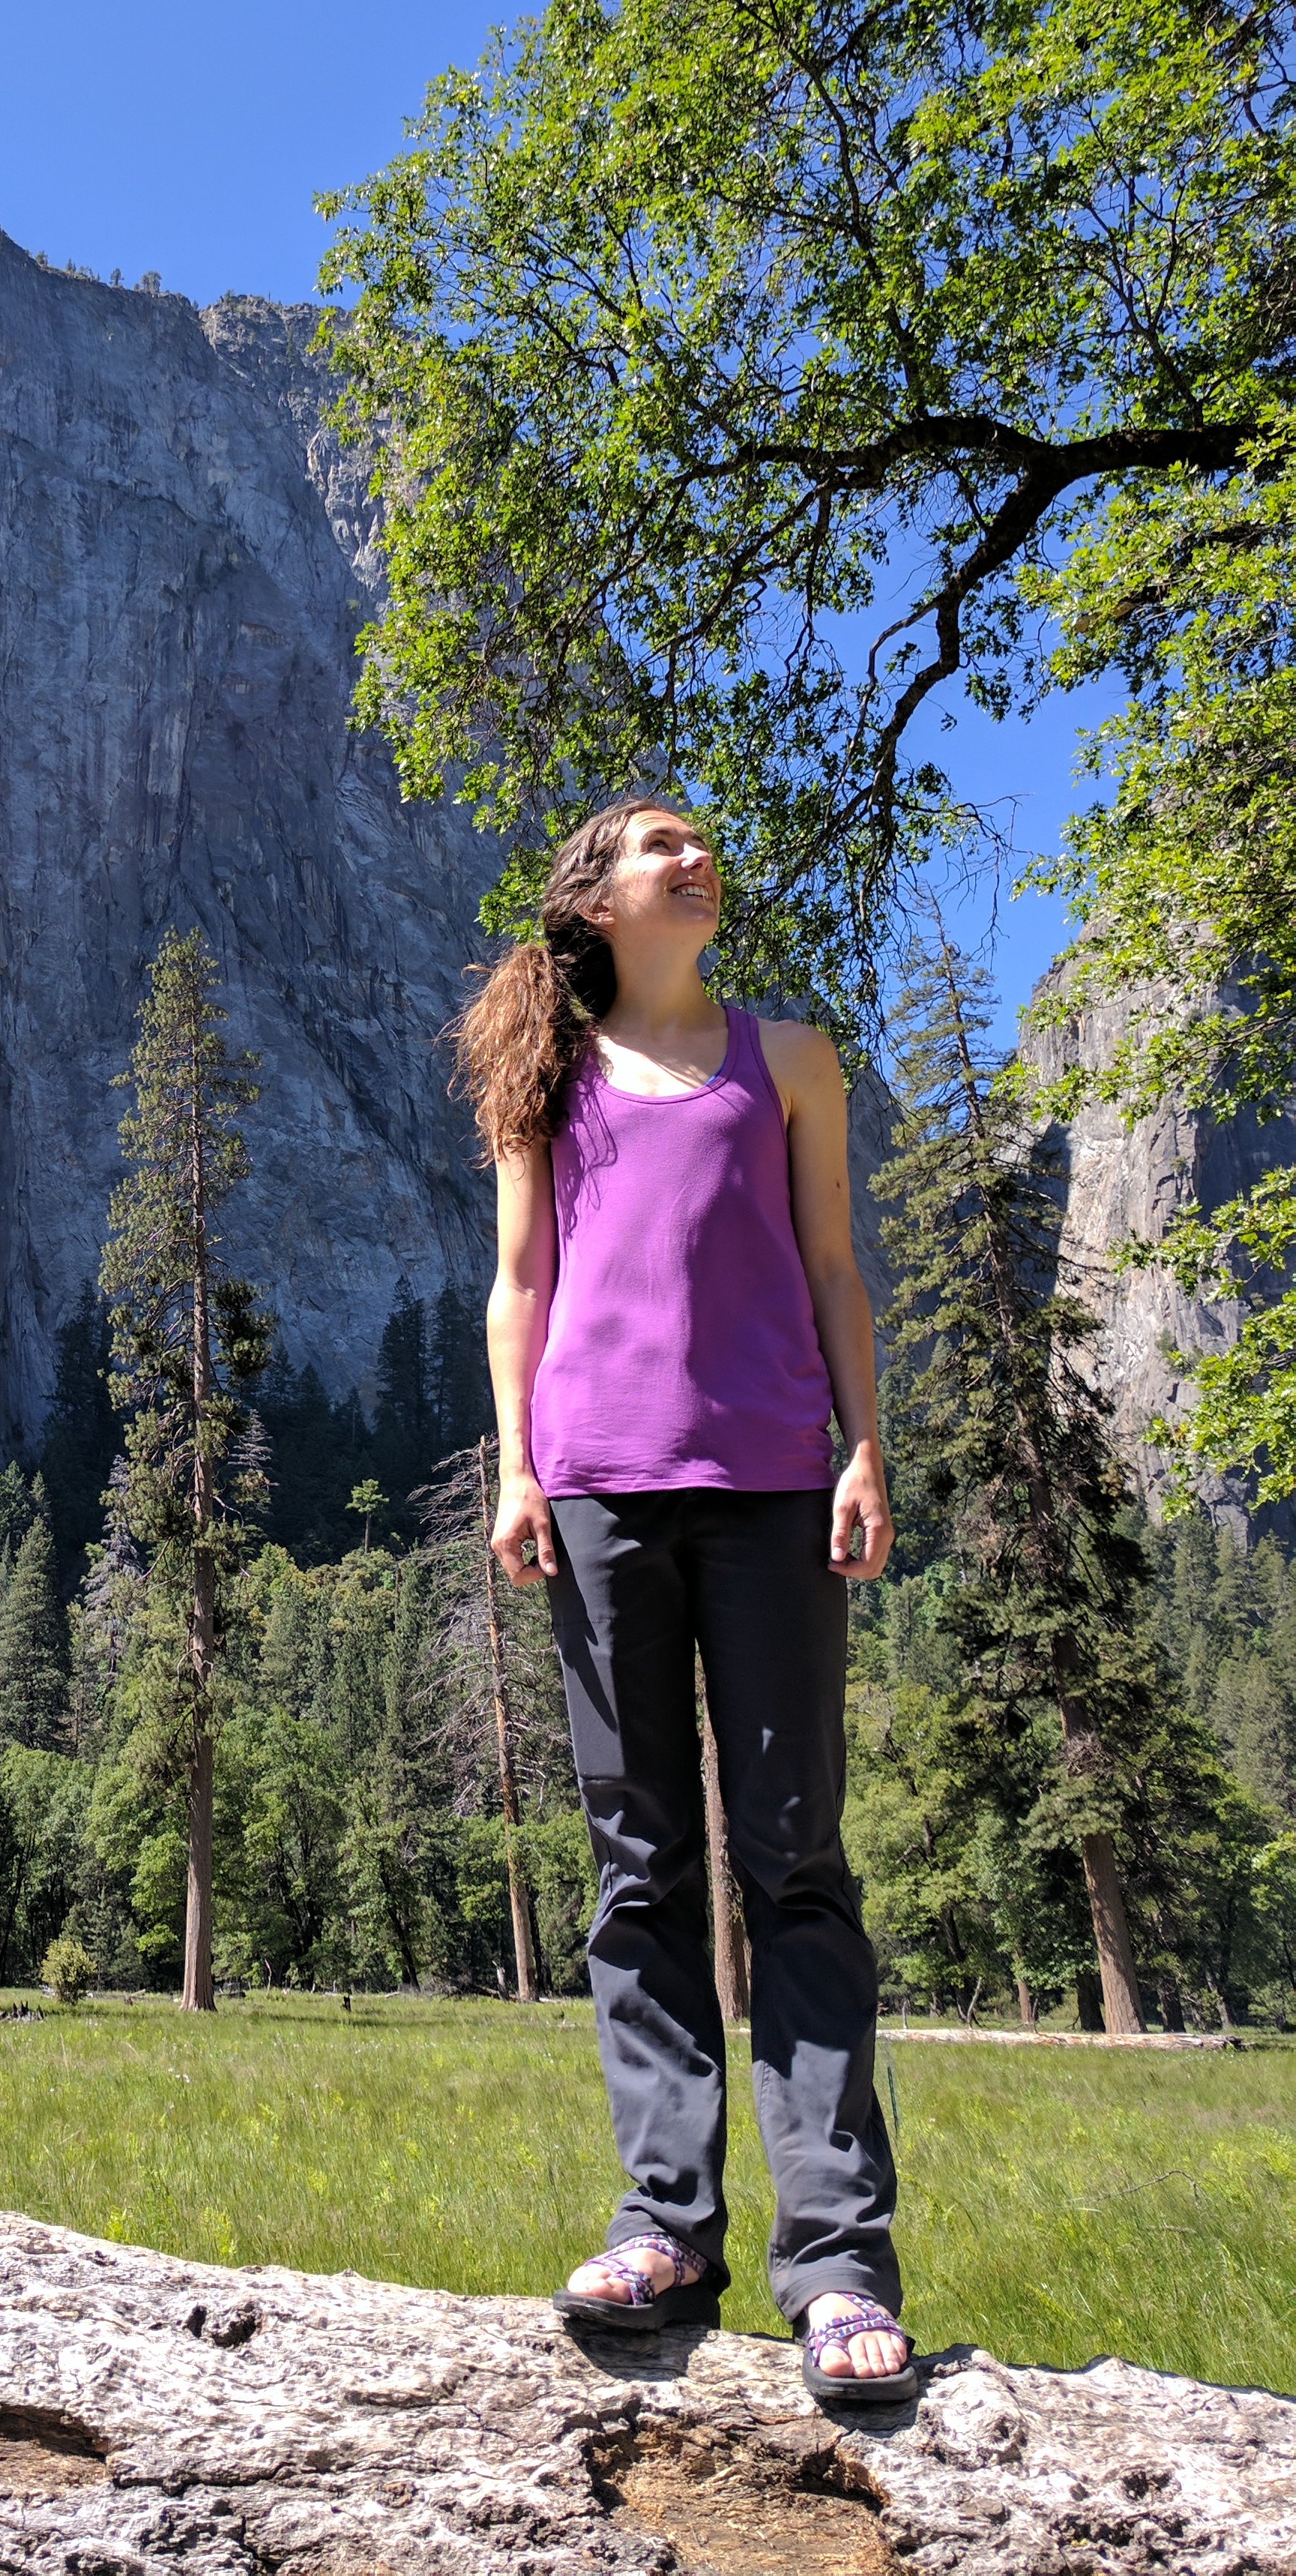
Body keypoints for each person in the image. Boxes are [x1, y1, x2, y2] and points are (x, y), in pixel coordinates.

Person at [458, 795, 915, 2401]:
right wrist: (519, 1468)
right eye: (655, 841)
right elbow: (521, 1283)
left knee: (795, 1860)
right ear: (597, 893)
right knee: (641, 1865)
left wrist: (864, 1447)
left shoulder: (789, 1058)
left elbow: (836, 1267)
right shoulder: (550, 1079)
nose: (691, 854)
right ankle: (668, 2224)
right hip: (597, 1493)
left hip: (777, 1485)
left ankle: (842, 2265)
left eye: (701, 838)